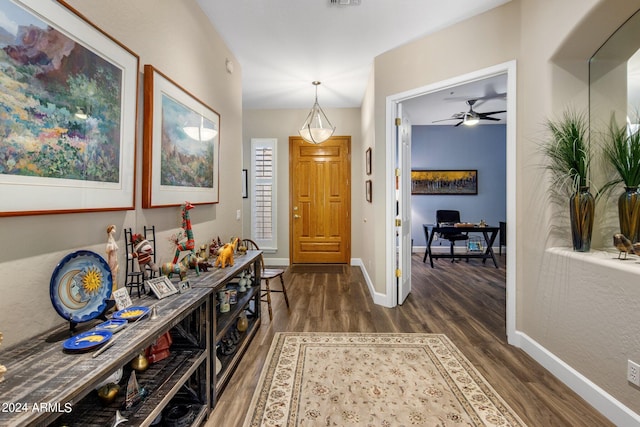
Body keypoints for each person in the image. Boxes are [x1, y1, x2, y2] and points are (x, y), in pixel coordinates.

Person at [105, 225, 119, 292]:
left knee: (115, 273)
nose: (114, 231)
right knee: (113, 274)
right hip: (112, 258)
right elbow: (109, 250)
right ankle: (112, 293)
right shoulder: (110, 241)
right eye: (113, 229)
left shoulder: (112, 240)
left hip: (114, 258)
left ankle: (114, 292)